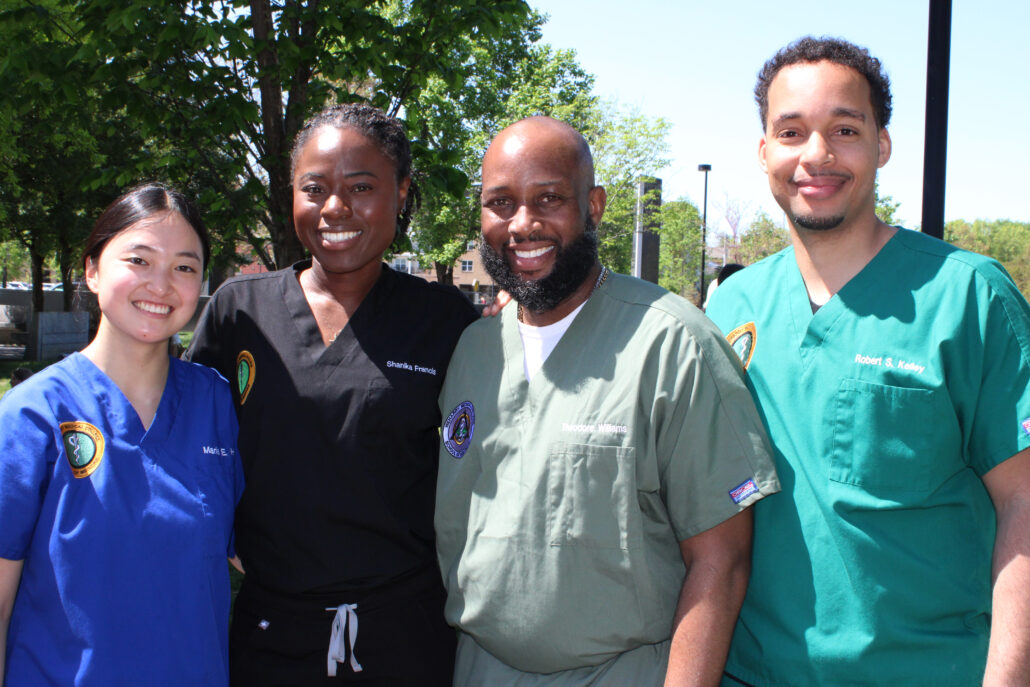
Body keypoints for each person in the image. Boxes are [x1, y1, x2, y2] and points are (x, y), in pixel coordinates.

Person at [706, 37, 1030, 686]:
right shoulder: (730, 308)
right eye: (791, 131)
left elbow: (1024, 503)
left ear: (882, 145)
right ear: (765, 150)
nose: (816, 154)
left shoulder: (968, 296)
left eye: (844, 129)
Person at [435, 116, 780, 686]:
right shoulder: (473, 351)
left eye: (549, 199)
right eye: (501, 202)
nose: (522, 224)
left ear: (593, 206)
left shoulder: (672, 344)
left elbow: (721, 562)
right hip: (478, 667)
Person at [185, 103, 478, 685]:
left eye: (362, 186)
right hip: (271, 634)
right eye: (315, 188)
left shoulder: (445, 321)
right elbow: (190, 447)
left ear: (401, 194)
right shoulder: (238, 312)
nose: (336, 208)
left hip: (406, 638)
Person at [0, 183, 243, 686]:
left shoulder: (215, 402)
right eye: (139, 259)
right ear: (91, 270)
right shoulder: (33, 415)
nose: (161, 284)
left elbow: (254, 546)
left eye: (183, 267)